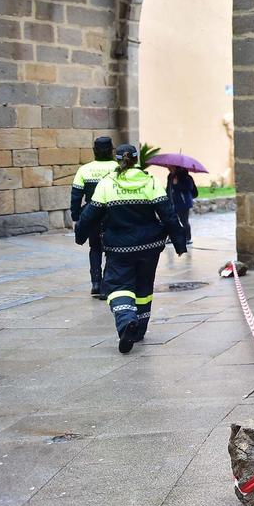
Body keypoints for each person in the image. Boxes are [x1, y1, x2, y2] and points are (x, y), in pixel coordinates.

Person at [75, 144, 187, 353]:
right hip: (149, 246)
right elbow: (168, 214)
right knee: (144, 287)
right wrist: (179, 242)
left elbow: (90, 214)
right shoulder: (149, 181)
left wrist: (80, 235)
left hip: (120, 248)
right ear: (136, 160)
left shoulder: (107, 184)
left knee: (118, 286)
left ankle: (127, 321)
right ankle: (140, 328)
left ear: (118, 160)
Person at [70, 136, 118, 299]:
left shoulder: (84, 169)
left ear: (94, 151)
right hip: (114, 214)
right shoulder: (118, 168)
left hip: (92, 214)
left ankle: (95, 284)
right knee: (112, 250)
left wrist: (76, 217)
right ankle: (106, 285)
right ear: (112, 150)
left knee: (95, 247)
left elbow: (76, 195)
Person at [167, 165, 199, 245]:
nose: (168, 168)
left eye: (170, 167)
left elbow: (189, 188)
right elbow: (169, 188)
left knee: (184, 221)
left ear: (176, 167)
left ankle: (188, 238)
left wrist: (176, 184)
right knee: (171, 221)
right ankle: (171, 238)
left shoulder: (186, 177)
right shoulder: (170, 176)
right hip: (172, 202)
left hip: (183, 203)